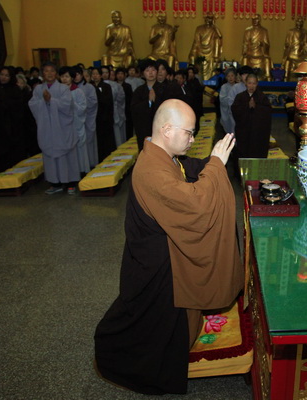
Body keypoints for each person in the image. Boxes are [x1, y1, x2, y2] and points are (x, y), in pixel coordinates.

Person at [94, 99, 243, 395]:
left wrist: (207, 163)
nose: (192, 139)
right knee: (149, 329)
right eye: (188, 133)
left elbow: (187, 170)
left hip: (165, 258)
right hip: (159, 267)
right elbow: (195, 204)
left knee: (172, 324)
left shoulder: (163, 156)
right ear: (166, 130)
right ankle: (134, 366)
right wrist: (215, 165)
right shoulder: (151, 170)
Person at [28, 62, 79, 195]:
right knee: (49, 155)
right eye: (46, 71)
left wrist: (51, 101)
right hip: (47, 129)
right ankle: (54, 183)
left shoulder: (63, 88)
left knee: (66, 155)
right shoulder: (38, 89)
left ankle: (70, 182)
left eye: (52, 71)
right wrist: (44, 102)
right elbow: (32, 105)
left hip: (62, 128)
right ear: (42, 74)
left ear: (56, 74)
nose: (49, 74)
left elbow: (68, 106)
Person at [131, 59, 184, 151]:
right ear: (143, 74)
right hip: (145, 130)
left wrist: (156, 101)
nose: (150, 73)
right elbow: (134, 110)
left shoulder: (166, 88)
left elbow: (170, 109)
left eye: (153, 70)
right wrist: (149, 102)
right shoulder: (139, 91)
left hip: (162, 130)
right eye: (147, 70)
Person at [231, 73, 272, 159]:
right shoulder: (240, 97)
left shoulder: (262, 97)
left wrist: (256, 107)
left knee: (257, 153)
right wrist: (247, 106)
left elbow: (268, 112)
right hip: (244, 132)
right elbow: (235, 111)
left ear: (257, 84)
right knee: (244, 153)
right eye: (249, 83)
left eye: (254, 83)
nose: (251, 86)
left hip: (258, 133)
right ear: (245, 83)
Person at [60, 66, 90, 176]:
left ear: (72, 78)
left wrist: (72, 102)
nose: (64, 79)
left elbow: (82, 109)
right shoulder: (58, 93)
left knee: (79, 149)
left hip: (76, 124)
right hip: (63, 127)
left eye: (67, 76)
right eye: (62, 76)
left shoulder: (78, 92)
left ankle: (81, 171)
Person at [0, 66, 26, 165]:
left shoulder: (15, 89)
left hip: (13, 125)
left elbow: (17, 107)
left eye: (6, 75)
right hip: (0, 126)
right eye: (2, 75)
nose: (3, 77)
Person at [72, 65, 99, 167]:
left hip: (87, 119)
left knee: (88, 143)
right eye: (73, 75)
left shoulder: (89, 87)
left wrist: (81, 102)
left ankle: (91, 164)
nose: (75, 77)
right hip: (75, 120)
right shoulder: (69, 89)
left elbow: (93, 102)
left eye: (78, 74)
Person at [89, 66, 116, 161]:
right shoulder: (90, 86)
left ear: (100, 75)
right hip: (94, 118)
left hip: (105, 117)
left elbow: (108, 102)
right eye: (93, 74)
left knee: (107, 141)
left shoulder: (106, 86)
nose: (95, 76)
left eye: (97, 74)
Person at [188, 13, 223, 81]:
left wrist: (214, 26)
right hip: (200, 51)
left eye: (210, 18)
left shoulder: (214, 30)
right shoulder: (199, 29)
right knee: (197, 61)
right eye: (207, 18)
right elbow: (196, 43)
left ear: (213, 20)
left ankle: (210, 82)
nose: (208, 20)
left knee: (213, 61)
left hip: (211, 53)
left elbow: (220, 36)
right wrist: (192, 53)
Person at [241, 14, 272, 81]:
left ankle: (268, 76)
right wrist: (244, 52)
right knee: (244, 59)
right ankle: (244, 77)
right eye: (253, 19)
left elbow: (267, 44)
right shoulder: (248, 30)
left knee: (267, 60)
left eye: (256, 19)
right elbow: (245, 43)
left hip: (260, 54)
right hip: (250, 54)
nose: (255, 21)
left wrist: (262, 44)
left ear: (260, 20)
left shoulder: (264, 31)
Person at [101, 65, 126, 147]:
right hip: (104, 114)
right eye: (102, 73)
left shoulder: (116, 85)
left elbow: (121, 98)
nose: (104, 74)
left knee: (117, 135)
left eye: (106, 72)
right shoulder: (97, 85)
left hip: (116, 111)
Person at [282, 16, 307, 81]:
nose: (299, 23)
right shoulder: (291, 32)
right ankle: (286, 77)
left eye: (301, 22)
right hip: (292, 53)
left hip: (301, 54)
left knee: (306, 62)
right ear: (295, 22)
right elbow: (287, 44)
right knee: (289, 60)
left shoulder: (305, 32)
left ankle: (304, 79)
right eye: (298, 21)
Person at [115, 67, 134, 139]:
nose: (120, 75)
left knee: (128, 131)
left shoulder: (128, 86)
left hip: (126, 111)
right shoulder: (113, 86)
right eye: (118, 74)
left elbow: (130, 100)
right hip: (117, 111)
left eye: (121, 74)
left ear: (125, 75)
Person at [219, 67, 237, 134]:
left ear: (235, 76)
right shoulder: (224, 87)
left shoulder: (238, 86)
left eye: (232, 75)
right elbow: (222, 100)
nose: (230, 78)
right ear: (226, 78)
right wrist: (232, 100)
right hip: (227, 113)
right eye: (228, 76)